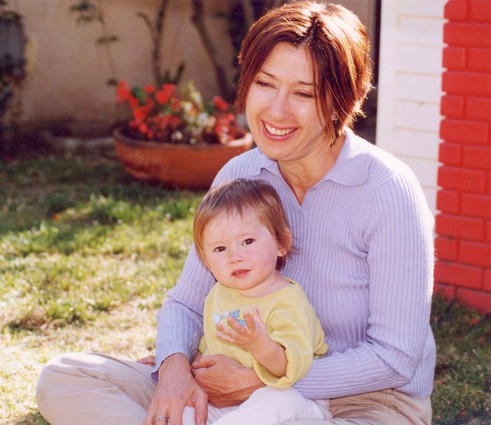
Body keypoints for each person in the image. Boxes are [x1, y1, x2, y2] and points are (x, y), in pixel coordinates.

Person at [37, 2, 436, 425]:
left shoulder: (388, 191)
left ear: (342, 102)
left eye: (303, 93)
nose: (276, 110)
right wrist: (173, 370)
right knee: (65, 379)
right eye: (265, 84)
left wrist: (264, 380)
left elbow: (395, 358)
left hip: (365, 402)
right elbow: (186, 304)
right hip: (231, 392)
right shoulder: (242, 173)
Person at [180, 178, 329, 424]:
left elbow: (289, 368)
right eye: (220, 249)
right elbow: (209, 344)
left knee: (274, 400)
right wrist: (187, 362)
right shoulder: (219, 294)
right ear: (206, 261)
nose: (235, 257)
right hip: (230, 401)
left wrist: (259, 344)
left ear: (282, 244)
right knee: (186, 411)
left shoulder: (288, 301)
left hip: (296, 398)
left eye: (247, 242)